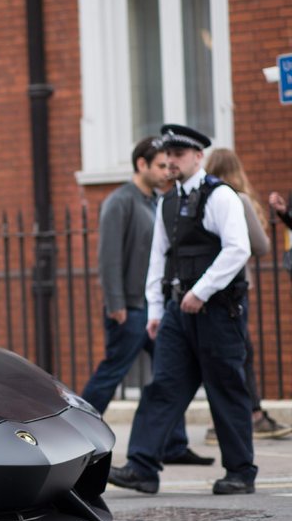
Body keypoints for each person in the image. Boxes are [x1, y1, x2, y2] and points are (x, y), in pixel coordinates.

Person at [109, 124, 256, 496]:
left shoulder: (222, 197)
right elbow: (160, 259)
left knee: (226, 389)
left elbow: (238, 250)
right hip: (178, 311)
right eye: (167, 155)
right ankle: (142, 467)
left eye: (178, 154)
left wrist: (203, 292)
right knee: (163, 385)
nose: (171, 160)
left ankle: (240, 471)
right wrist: (156, 310)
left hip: (220, 312)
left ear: (197, 156)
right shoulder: (168, 201)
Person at [82, 138, 208, 465]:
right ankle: (79, 435)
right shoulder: (119, 201)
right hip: (128, 308)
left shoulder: (155, 201)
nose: (168, 170)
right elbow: (108, 258)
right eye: (161, 165)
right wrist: (115, 304)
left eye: (170, 165)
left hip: (153, 307)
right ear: (142, 164)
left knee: (170, 373)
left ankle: (174, 445)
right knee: (111, 375)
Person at [204, 149, 291, 441]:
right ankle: (244, 418)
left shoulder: (202, 200)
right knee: (238, 354)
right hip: (234, 288)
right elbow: (261, 245)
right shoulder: (236, 199)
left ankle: (239, 416)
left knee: (231, 354)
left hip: (205, 286)